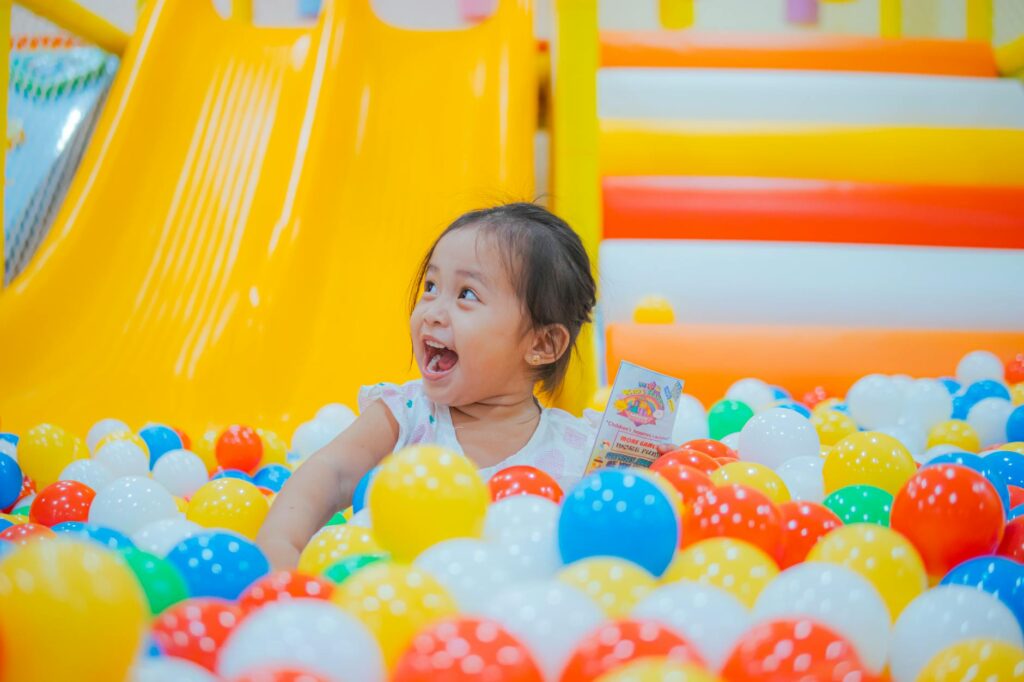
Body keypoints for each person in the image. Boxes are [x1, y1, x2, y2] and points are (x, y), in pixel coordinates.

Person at [257, 203, 598, 569]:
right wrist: (280, 542)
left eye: (467, 294)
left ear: (542, 345)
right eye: (431, 287)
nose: (432, 311)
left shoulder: (580, 449)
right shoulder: (406, 414)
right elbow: (331, 471)